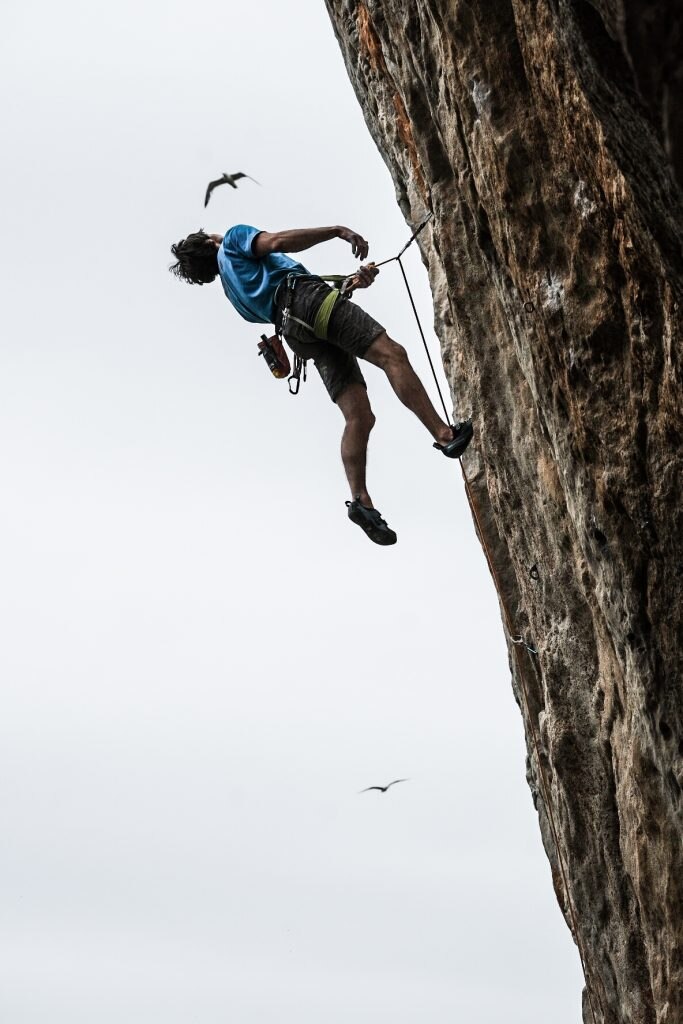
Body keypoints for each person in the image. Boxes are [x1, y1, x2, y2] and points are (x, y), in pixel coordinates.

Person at [169, 223, 473, 545]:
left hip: (298, 334)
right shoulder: (231, 241)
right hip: (306, 301)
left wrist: (350, 284)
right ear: (208, 241)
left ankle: (360, 499)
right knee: (392, 355)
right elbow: (278, 243)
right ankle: (444, 434)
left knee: (359, 417)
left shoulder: (235, 295)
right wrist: (336, 231)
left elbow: (297, 308)